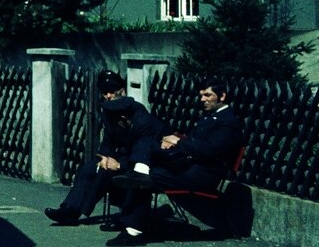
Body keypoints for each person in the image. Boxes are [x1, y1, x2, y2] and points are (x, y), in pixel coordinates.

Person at [106, 79, 244, 246]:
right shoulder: (211, 117)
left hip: (202, 175)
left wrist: (178, 142)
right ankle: (139, 173)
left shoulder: (228, 122)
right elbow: (195, 143)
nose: (202, 99)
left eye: (208, 95)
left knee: (150, 176)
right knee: (146, 143)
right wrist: (172, 143)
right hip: (189, 166)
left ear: (222, 96)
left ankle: (132, 230)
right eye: (201, 95)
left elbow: (209, 151)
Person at [45, 70, 166, 227]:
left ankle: (87, 212)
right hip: (118, 156)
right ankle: (69, 210)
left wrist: (118, 164)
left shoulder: (138, 112)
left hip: (137, 159)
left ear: (122, 91)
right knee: (89, 168)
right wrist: (103, 158)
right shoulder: (108, 112)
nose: (108, 96)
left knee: (105, 172)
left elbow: (144, 145)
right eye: (105, 93)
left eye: (112, 92)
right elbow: (109, 140)